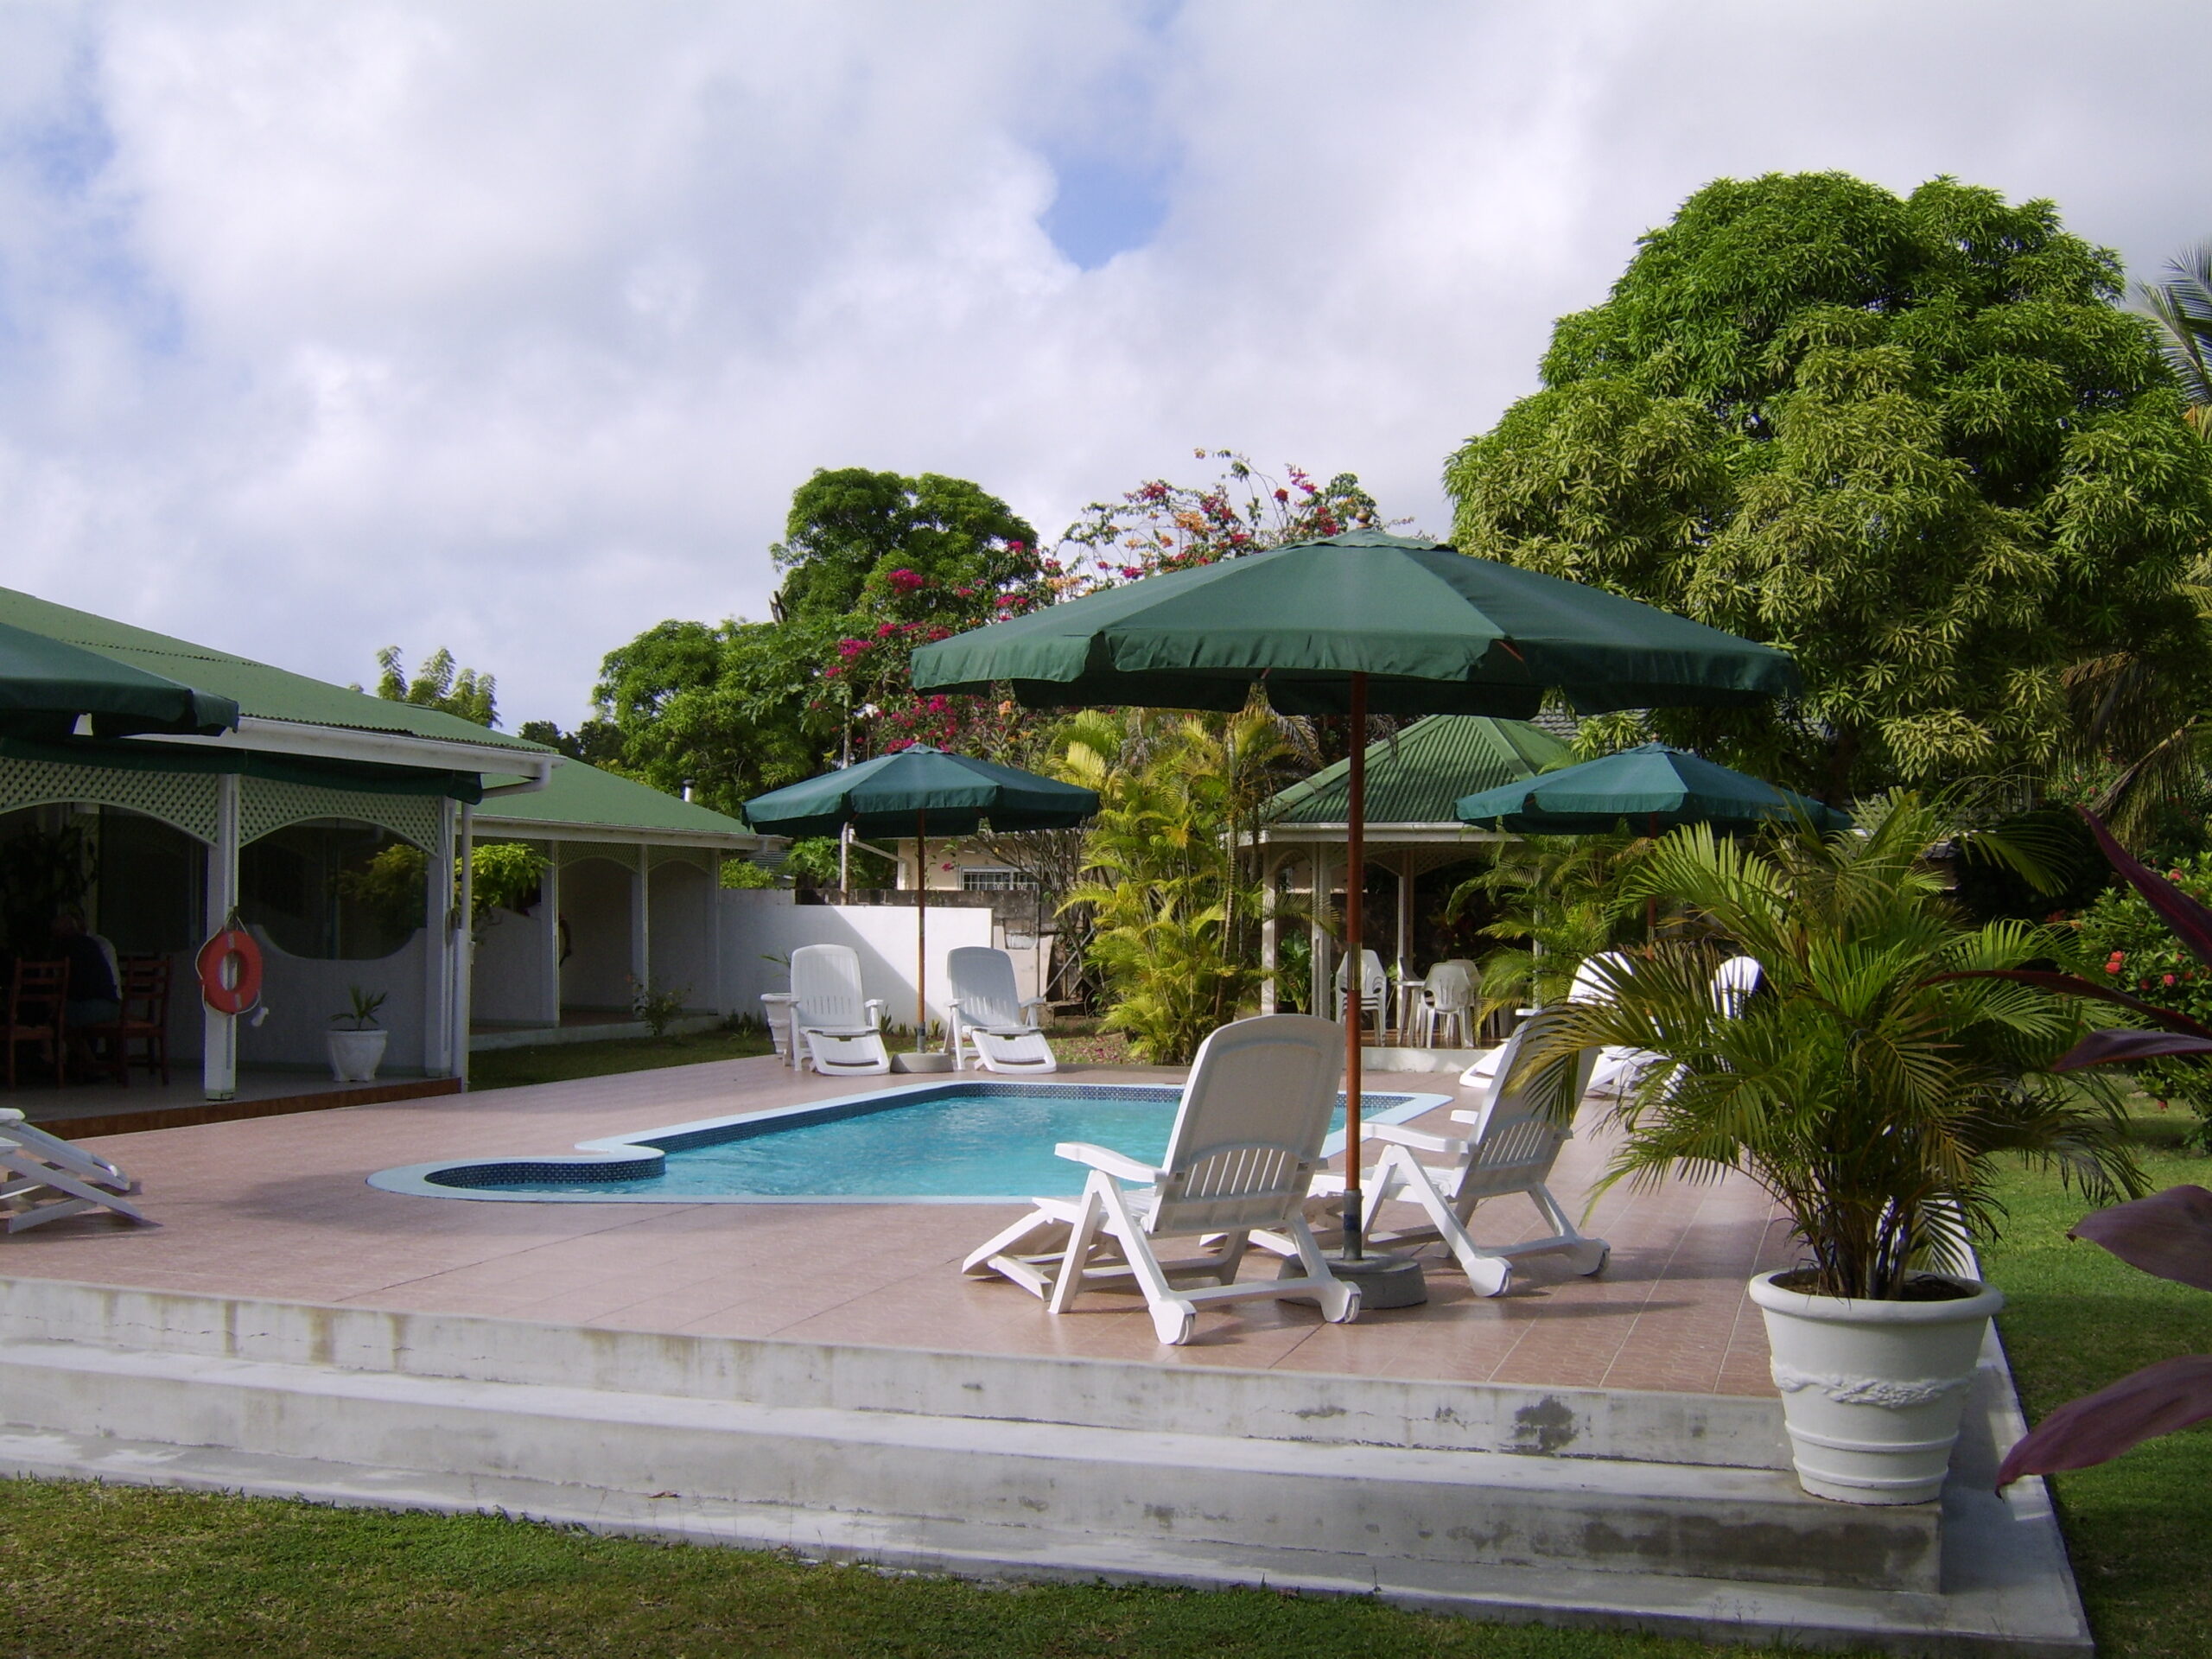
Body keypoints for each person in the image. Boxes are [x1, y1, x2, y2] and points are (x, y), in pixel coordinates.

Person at [49, 909, 118, 1028]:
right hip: (112, 1007)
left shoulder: (64, 948)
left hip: (89, 1008)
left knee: (52, 1013)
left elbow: (61, 982)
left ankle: (52, 1046)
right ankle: (81, 1047)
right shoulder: (91, 944)